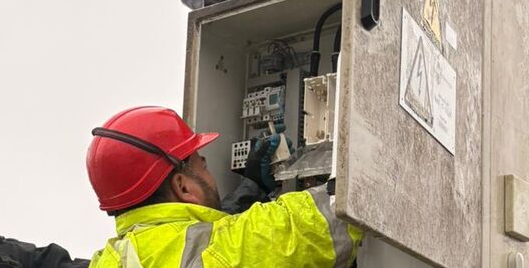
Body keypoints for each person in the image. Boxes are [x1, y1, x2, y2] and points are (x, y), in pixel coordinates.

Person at [85, 106, 361, 267]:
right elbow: (315, 226)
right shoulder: (215, 254)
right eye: (202, 165)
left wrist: (251, 186)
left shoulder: (108, 260)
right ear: (182, 188)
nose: (209, 172)